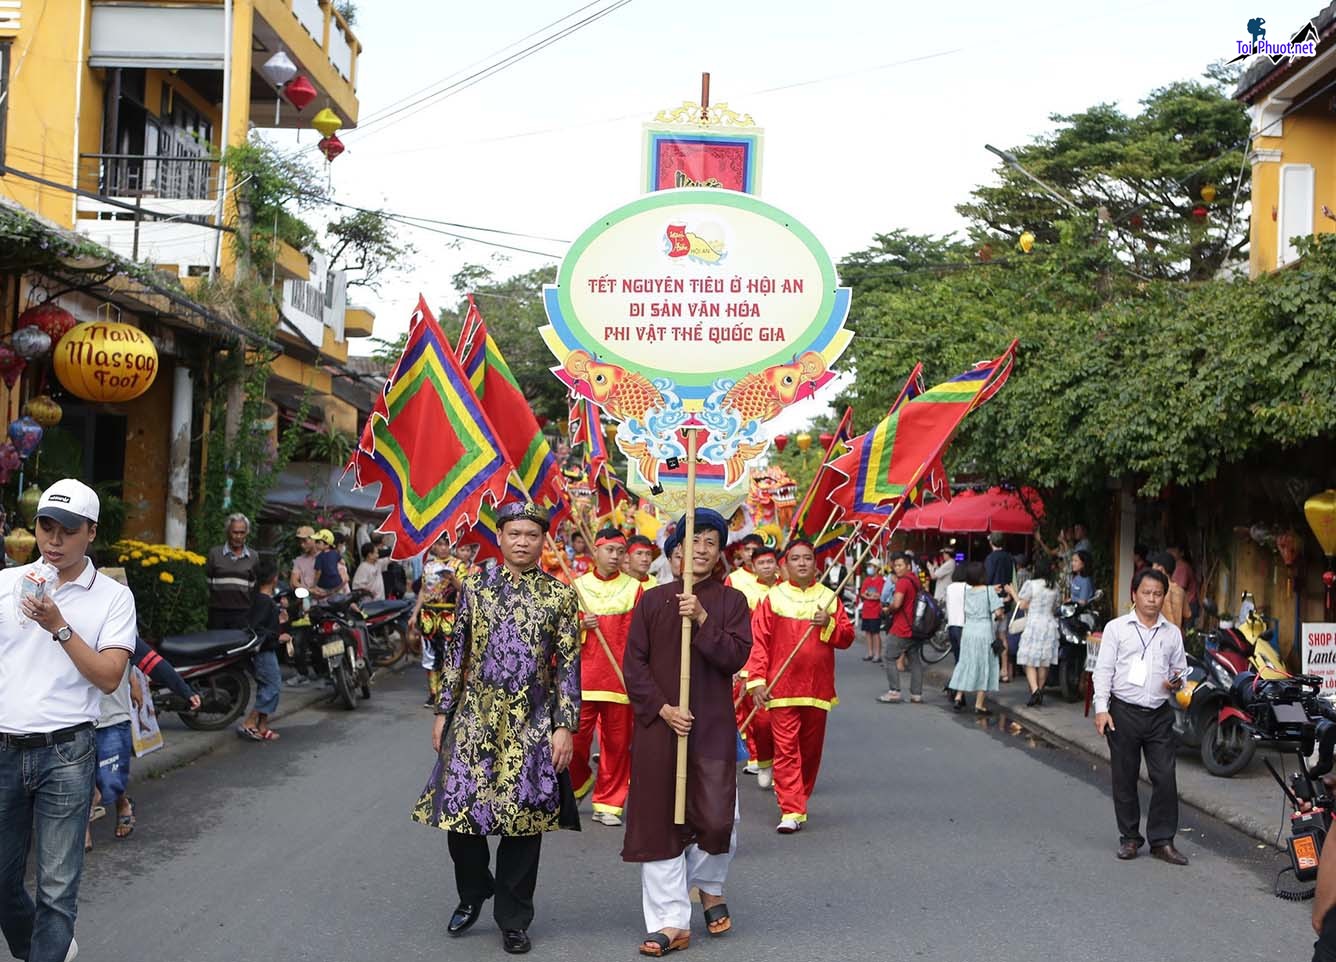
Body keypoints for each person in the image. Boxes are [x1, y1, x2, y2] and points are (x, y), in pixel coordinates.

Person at [412, 502, 579, 956]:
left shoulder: (559, 596)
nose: (522, 541)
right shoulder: (474, 587)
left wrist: (564, 726)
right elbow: (456, 653)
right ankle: (474, 889)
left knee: (524, 822)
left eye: (531, 534)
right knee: (459, 813)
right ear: (500, 537)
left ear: (543, 541)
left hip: (532, 717)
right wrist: (443, 710)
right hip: (474, 713)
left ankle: (513, 918)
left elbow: (567, 666)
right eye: (514, 533)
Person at [0, 479, 137, 962]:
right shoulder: (6, 585)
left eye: (68, 530)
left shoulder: (113, 598)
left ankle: (49, 949)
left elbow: (109, 676)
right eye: (46, 527)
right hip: (4, 749)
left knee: (57, 889)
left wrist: (58, 625)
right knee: (2, 880)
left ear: (91, 533)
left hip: (67, 752)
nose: (54, 540)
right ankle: (41, 948)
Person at [622, 509, 751, 956]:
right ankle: (670, 921)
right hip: (661, 728)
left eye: (710, 543)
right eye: (693, 541)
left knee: (717, 820)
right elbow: (633, 666)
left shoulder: (731, 603)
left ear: (719, 553)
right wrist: (661, 707)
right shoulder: (653, 600)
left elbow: (734, 657)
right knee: (660, 824)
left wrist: (700, 619)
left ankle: (709, 884)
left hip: (711, 727)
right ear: (676, 550)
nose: (700, 549)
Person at [746, 540, 854, 833]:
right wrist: (757, 680)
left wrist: (828, 622)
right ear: (786, 565)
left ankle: (799, 796)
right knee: (786, 749)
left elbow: (846, 638)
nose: (803, 563)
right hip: (782, 688)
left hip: (817, 689)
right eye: (796, 558)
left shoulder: (830, 598)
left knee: (810, 750)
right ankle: (791, 809)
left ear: (816, 565)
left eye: (808, 558)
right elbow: (759, 642)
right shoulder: (773, 598)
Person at [1092, 568, 1188, 866]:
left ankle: (1162, 840)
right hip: (1123, 711)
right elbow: (1103, 671)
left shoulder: (1172, 633)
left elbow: (1181, 671)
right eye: (1146, 593)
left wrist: (1176, 681)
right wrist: (1101, 709)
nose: (1151, 599)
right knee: (1125, 777)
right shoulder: (1116, 629)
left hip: (1159, 714)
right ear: (1134, 594)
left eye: (1158, 594)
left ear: (1164, 597)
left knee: (1165, 777)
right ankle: (1130, 838)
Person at [569, 528, 643, 827]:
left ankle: (609, 803)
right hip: (583, 678)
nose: (614, 556)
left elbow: (641, 637)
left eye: (619, 551)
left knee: (616, 744)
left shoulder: (634, 588)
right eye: (609, 550)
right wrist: (580, 625)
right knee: (572, 742)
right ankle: (578, 782)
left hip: (619, 681)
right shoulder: (576, 586)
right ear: (595, 551)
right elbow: (558, 633)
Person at [731, 545, 780, 789]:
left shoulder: (786, 589)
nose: (766, 567)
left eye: (770, 562)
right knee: (760, 720)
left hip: (784, 663)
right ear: (752, 565)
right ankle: (763, 760)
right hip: (753, 659)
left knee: (782, 721)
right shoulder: (739, 584)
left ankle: (784, 771)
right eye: (761, 563)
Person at [238, 558, 290, 743]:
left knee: (266, 686)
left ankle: (262, 726)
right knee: (272, 685)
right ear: (274, 578)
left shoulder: (264, 600)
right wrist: (278, 637)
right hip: (263, 652)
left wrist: (280, 620)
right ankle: (250, 722)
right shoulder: (263, 601)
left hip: (266, 650)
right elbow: (258, 630)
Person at [948, 562, 1003, 714]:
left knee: (966, 662)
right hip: (984, 631)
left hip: (968, 630)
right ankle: (979, 705)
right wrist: (1000, 615)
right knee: (984, 664)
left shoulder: (968, 591)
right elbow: (998, 613)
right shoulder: (988, 591)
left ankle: (959, 697)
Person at [1007, 555, 1061, 707]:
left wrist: (1012, 592)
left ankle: (1035, 690)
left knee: (1029, 660)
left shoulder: (1031, 584)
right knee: (1044, 662)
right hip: (1049, 624)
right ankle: (1040, 691)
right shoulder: (1054, 586)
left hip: (1034, 624)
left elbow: (1022, 605)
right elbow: (1055, 606)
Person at [411, 536, 458, 709]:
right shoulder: (428, 566)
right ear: (434, 547)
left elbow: (465, 589)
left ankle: (448, 693)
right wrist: (414, 614)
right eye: (440, 544)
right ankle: (433, 693)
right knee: (429, 654)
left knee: (449, 654)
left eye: (446, 544)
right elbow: (423, 591)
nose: (443, 548)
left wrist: (452, 579)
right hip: (428, 615)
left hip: (449, 613)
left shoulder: (457, 565)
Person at [878, 553, 921, 704]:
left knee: (889, 656)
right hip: (915, 627)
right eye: (895, 565)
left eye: (900, 565)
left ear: (908, 566)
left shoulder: (903, 582)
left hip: (902, 626)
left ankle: (894, 691)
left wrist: (887, 610)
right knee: (914, 660)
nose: (897, 568)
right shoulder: (915, 580)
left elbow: (896, 604)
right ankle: (916, 694)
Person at [205, 512, 258, 630]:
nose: (238, 536)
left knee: (238, 647)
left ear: (247, 533)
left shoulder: (253, 556)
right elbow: (208, 581)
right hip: (217, 613)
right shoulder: (214, 554)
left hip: (242, 613)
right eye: (235, 532)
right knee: (216, 646)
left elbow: (252, 586)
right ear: (228, 531)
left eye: (242, 533)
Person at [943, 566, 967, 697]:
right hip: (963, 626)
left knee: (958, 659)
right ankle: (955, 688)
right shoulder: (967, 588)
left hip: (952, 626)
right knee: (964, 661)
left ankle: (955, 687)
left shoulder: (950, 588)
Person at [1150, 552, 1187, 632]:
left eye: (1154, 565)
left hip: (1158, 635)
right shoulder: (1180, 591)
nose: (1151, 568)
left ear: (1160, 569)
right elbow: (1187, 614)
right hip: (1176, 635)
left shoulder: (1154, 590)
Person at [858, 562, 885, 663]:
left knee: (875, 633)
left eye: (871, 566)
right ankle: (870, 653)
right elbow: (862, 593)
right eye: (869, 566)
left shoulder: (881, 581)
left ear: (877, 568)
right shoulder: (867, 580)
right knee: (867, 632)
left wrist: (870, 595)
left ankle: (878, 654)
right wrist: (870, 595)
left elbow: (879, 595)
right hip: (866, 610)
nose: (869, 568)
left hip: (875, 610)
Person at [1167, 545, 1199, 625]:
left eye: (1174, 551)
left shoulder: (1182, 567)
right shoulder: (1176, 566)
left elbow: (1178, 588)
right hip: (1183, 604)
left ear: (1181, 553)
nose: (1171, 553)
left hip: (1188, 605)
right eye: (1170, 551)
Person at [313, 529, 350, 597]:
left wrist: (314, 585)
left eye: (318, 542)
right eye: (343, 545)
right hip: (339, 593)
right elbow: (345, 579)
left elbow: (318, 572)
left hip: (328, 591)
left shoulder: (320, 557)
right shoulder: (336, 558)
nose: (315, 544)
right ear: (338, 544)